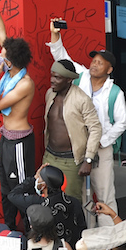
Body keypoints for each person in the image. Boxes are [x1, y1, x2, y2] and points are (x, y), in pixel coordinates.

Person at [47, 17, 126, 229]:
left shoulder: (115, 93)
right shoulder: (80, 76)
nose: (94, 64)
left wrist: (102, 141)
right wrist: (55, 34)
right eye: (93, 61)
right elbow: (61, 56)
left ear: (109, 70)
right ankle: (86, 235)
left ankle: (110, 242)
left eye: (100, 63)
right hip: (79, 148)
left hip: (101, 150)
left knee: (105, 193)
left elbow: (122, 123)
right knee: (81, 196)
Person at [0, 0, 37, 229]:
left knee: (21, 190)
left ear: (11, 63)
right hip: (7, 138)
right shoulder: (11, 66)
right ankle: (8, 229)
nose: (0, 58)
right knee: (6, 187)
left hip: (19, 142)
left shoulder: (25, 83)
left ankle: (29, 231)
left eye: (3, 58)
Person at [43, 58, 102, 214]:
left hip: (70, 160)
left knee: (70, 204)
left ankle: (74, 238)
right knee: (46, 201)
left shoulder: (81, 99)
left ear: (69, 80)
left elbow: (95, 128)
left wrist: (88, 159)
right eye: (52, 75)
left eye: (57, 77)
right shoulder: (50, 94)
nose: (52, 81)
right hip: (49, 157)